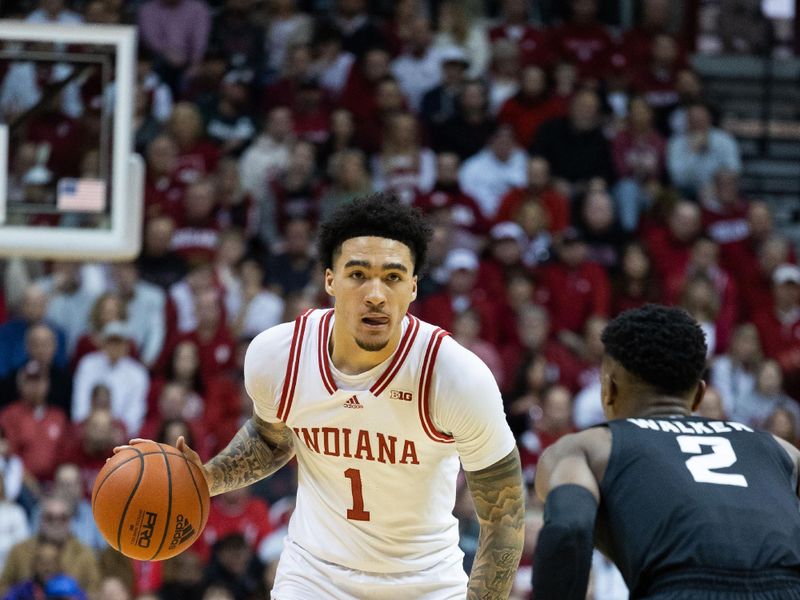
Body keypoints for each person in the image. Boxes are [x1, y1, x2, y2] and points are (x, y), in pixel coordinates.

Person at [121, 194, 524, 599]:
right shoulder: (279, 356)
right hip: (315, 577)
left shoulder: (455, 376)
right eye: (358, 274)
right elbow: (272, 440)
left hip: (424, 583)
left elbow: (504, 517)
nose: (376, 294)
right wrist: (206, 479)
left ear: (414, 287)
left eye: (393, 277)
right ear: (330, 279)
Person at [531, 304, 800, 599]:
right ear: (698, 395)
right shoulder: (782, 451)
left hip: (678, 587)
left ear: (608, 389)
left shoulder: (588, 447)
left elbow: (569, 528)